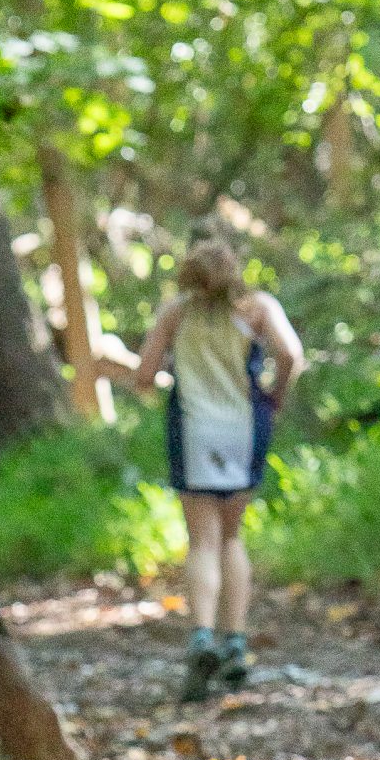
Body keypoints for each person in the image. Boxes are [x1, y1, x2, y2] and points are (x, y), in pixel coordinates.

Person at [131, 237, 304, 702]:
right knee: (232, 536)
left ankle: (202, 635)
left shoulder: (176, 313)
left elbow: (145, 376)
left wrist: (169, 376)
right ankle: (236, 640)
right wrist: (276, 396)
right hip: (245, 427)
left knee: (202, 538)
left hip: (192, 428)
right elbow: (290, 355)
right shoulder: (258, 308)